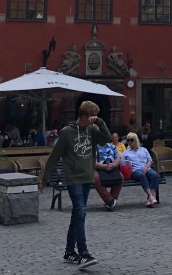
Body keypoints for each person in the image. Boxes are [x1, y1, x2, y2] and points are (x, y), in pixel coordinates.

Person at [39, 100, 111, 269]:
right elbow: (54, 157)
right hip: (73, 178)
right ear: (85, 116)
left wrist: (100, 122)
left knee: (77, 215)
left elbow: (106, 139)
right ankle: (83, 253)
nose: (95, 119)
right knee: (80, 212)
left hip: (87, 177)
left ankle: (69, 251)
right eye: (93, 116)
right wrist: (44, 179)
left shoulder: (92, 130)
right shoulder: (67, 132)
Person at [119, 132, 160, 208]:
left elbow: (150, 160)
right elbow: (122, 164)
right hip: (134, 170)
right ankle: (151, 196)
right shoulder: (126, 152)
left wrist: (146, 167)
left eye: (131, 140)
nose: (129, 142)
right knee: (141, 175)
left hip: (145, 168)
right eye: (128, 140)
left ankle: (150, 199)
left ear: (136, 140)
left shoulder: (143, 149)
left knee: (155, 175)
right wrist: (128, 164)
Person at [92, 137, 122, 211]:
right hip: (98, 169)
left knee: (121, 177)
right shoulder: (92, 147)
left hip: (111, 168)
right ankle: (109, 200)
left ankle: (112, 199)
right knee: (95, 178)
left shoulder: (112, 146)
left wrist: (113, 165)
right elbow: (91, 161)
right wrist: (103, 166)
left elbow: (118, 158)